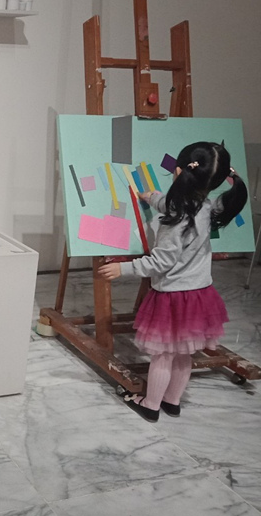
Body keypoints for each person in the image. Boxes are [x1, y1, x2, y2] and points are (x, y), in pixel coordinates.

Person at [99, 141, 248, 422]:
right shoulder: (207, 206)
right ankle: (172, 401)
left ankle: (150, 404)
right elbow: (171, 200)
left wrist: (124, 269)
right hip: (199, 294)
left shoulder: (175, 220)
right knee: (183, 354)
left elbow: (161, 262)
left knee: (163, 355)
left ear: (178, 171)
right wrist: (151, 197)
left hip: (172, 298)